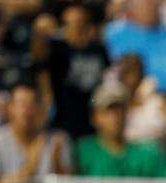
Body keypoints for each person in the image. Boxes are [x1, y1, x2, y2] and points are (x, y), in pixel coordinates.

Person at [34, 3, 110, 139]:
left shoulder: (98, 49)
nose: (77, 28)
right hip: (64, 120)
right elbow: (39, 61)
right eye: (72, 24)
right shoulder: (57, 49)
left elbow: (106, 78)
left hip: (92, 119)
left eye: (81, 23)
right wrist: (40, 34)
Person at [0, 82, 71, 183]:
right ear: (9, 107)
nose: (27, 111)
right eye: (22, 104)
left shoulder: (58, 140)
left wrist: (56, 162)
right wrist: (31, 167)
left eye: (33, 104)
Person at [75, 83, 166, 178]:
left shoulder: (151, 155)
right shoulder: (80, 153)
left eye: (120, 109)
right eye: (108, 110)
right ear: (94, 117)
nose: (116, 116)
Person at [116, 54, 166, 151]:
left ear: (140, 73)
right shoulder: (115, 105)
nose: (126, 78)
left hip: (157, 157)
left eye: (130, 72)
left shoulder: (159, 102)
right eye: (122, 73)